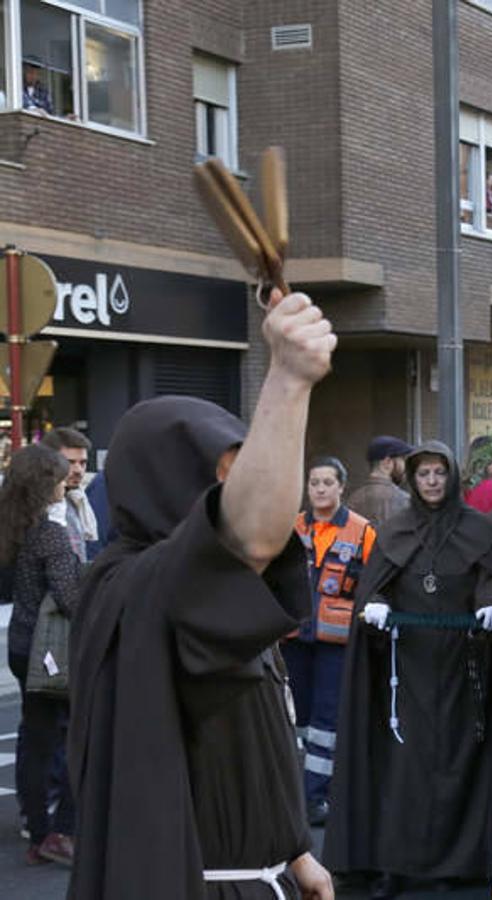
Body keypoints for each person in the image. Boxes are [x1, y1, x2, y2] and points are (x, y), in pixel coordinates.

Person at [67, 289, 335, 899]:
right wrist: (289, 381)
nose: (239, 488)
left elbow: (245, 748)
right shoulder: (137, 589)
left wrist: (296, 853)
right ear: (165, 478)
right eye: (223, 474)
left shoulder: (198, 589)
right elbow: (251, 536)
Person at [327, 441, 492, 899]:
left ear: (453, 478)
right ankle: (399, 866)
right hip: (405, 673)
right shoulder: (394, 531)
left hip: (463, 671)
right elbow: (375, 588)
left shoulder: (480, 530)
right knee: (404, 768)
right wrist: (378, 606)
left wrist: (489, 605)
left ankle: (462, 866)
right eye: (423, 473)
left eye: (439, 474)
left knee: (458, 763)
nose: (431, 482)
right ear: (411, 477)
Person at [283, 456, 376, 827]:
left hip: (336, 643)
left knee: (326, 720)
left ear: (341, 487)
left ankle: (317, 795)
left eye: (326, 483)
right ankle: (297, 790)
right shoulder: (292, 528)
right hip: (294, 637)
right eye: (314, 483)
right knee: (297, 718)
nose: (319, 489)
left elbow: (372, 585)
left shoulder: (362, 531)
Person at [0, 444, 79, 867]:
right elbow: (71, 596)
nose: (66, 482)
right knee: (78, 738)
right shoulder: (49, 533)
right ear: (42, 483)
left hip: (21, 645)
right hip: (54, 651)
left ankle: (36, 828)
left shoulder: (11, 526)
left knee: (36, 738)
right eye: (60, 476)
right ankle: (62, 831)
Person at [41, 426, 97, 563]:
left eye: (83, 463)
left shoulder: (77, 499)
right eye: (69, 462)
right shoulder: (35, 504)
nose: (78, 470)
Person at [346, 436, 413, 527]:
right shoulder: (405, 501)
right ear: (387, 462)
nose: (406, 467)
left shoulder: (352, 501)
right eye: (403, 460)